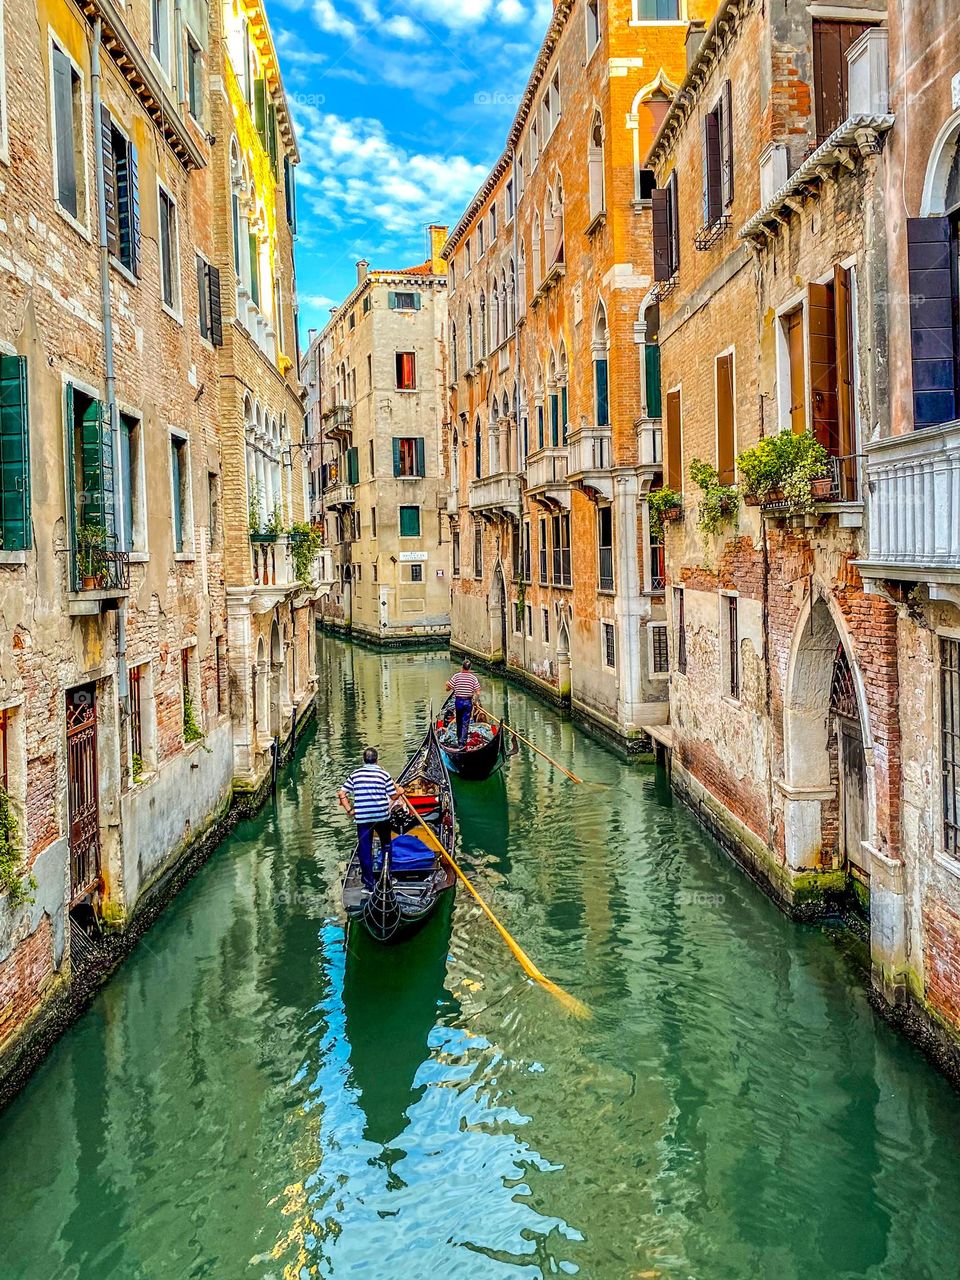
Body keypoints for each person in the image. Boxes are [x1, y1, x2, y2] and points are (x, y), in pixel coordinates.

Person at [338, 748, 400, 891]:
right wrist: (399, 792)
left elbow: (341, 793)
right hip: (381, 817)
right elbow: (393, 796)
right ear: (377, 760)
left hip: (363, 818)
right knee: (386, 846)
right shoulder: (384, 774)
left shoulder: (355, 774)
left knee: (365, 849)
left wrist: (350, 810)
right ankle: (388, 877)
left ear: (364, 760)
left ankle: (369, 883)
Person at [446, 659, 481, 747]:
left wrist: (447, 684)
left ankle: (459, 741)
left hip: (459, 701)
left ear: (462, 667)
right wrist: (475, 702)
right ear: (469, 668)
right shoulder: (473, 678)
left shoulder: (456, 676)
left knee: (459, 722)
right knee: (465, 723)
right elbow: (478, 692)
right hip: (468, 702)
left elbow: (448, 689)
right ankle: (463, 743)